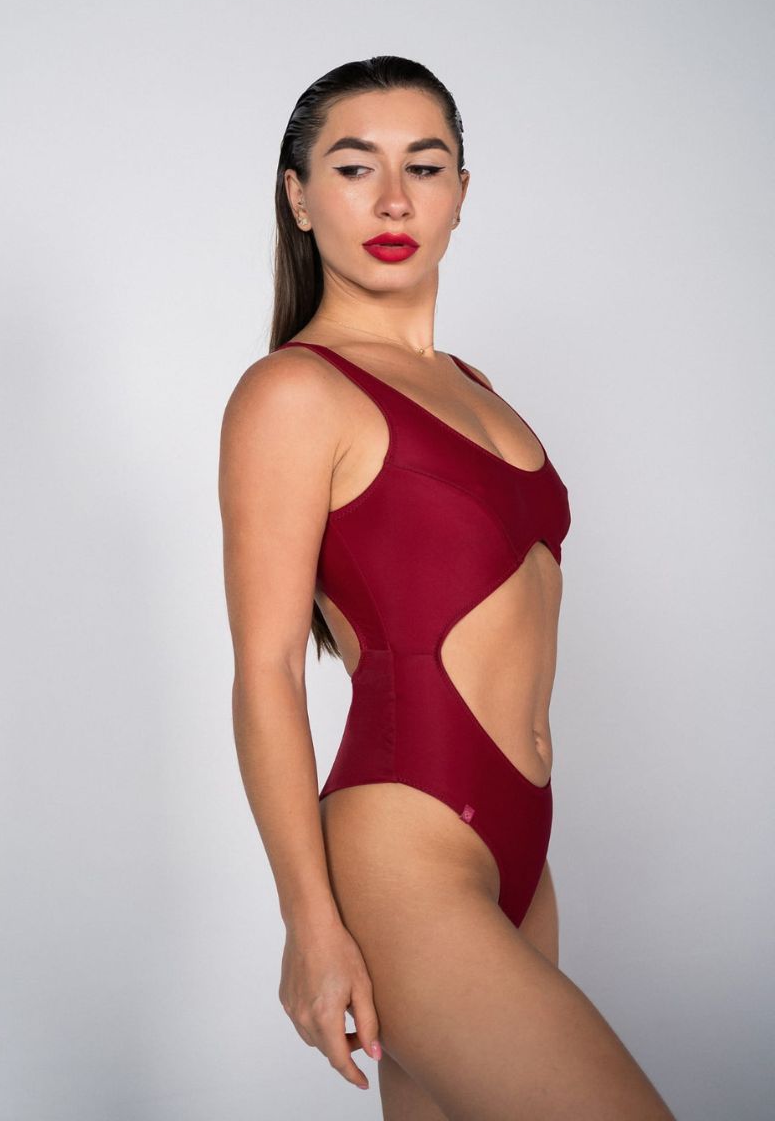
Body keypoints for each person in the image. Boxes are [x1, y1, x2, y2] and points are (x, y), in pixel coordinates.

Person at [218, 55, 676, 1120]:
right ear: (298, 196)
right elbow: (266, 671)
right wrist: (309, 921)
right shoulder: (293, 392)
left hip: (520, 849)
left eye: (423, 167)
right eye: (353, 167)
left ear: (460, 193)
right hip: (405, 853)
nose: (393, 200)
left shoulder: (475, 387)